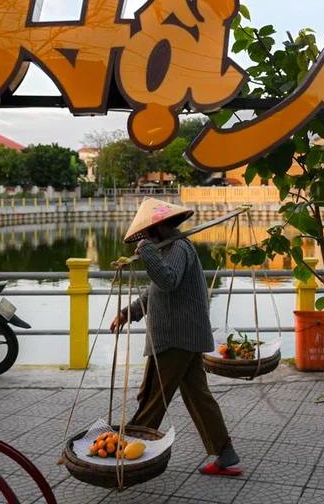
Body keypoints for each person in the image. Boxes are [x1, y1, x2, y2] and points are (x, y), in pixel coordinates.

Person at [111, 198, 242, 476]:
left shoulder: (179, 248)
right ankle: (225, 452)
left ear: (157, 229)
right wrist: (129, 312)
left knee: (151, 398)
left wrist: (146, 251)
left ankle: (126, 456)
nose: (144, 238)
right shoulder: (168, 248)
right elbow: (155, 291)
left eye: (147, 234)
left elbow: (168, 281)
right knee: (199, 397)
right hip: (186, 337)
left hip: (175, 339)